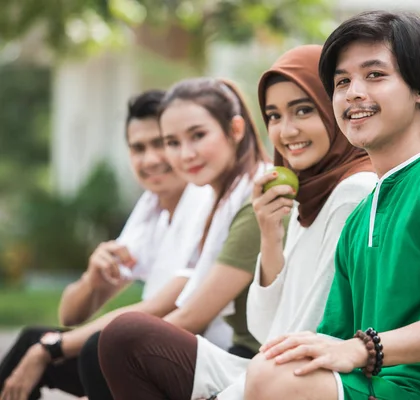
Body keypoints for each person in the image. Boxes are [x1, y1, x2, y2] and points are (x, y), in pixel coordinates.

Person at [244, 11, 420, 400]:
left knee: (270, 378)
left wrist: (363, 348)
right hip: (378, 385)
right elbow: (330, 338)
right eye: (342, 82)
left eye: (375, 75)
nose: (354, 92)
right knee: (271, 368)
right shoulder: (360, 215)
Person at [98, 44, 377, 400]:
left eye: (303, 110)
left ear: (334, 108)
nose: (286, 131)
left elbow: (303, 335)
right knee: (125, 336)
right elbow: (264, 328)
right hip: (265, 366)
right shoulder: (303, 196)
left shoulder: (353, 193)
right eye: (274, 116)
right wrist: (271, 235)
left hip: (302, 378)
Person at [0, 89, 216, 400]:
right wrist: (92, 278)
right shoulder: (151, 208)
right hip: (147, 349)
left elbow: (162, 307)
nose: (151, 159)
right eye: (138, 148)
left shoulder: (203, 201)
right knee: (32, 341)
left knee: (82, 348)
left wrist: (49, 349)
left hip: (186, 359)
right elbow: (70, 315)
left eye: (161, 144)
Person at [97, 76, 276, 399]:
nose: (186, 154)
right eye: (173, 142)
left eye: (198, 135)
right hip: (237, 355)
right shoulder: (212, 201)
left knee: (121, 339)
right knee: (109, 343)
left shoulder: (254, 200)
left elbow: (193, 315)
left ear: (235, 130)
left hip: (255, 362)